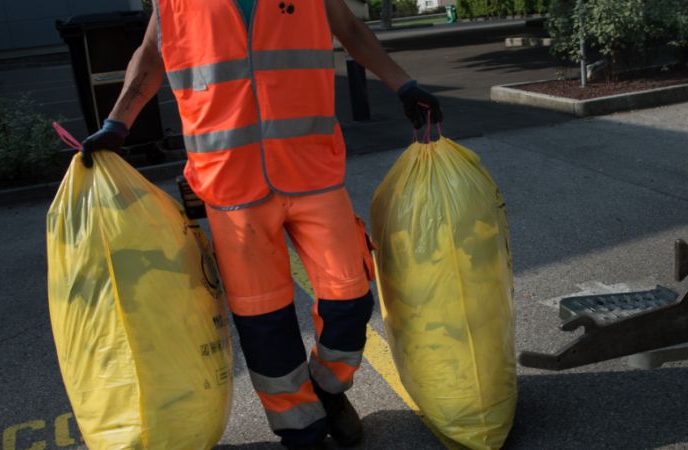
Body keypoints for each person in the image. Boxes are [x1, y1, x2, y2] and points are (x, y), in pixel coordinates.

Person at [79, 1, 441, 449]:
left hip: (312, 169)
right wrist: (118, 122)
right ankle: (301, 430)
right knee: (264, 324)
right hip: (230, 185)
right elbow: (152, 54)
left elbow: (349, 28)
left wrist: (404, 85)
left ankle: (328, 390)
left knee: (349, 297)